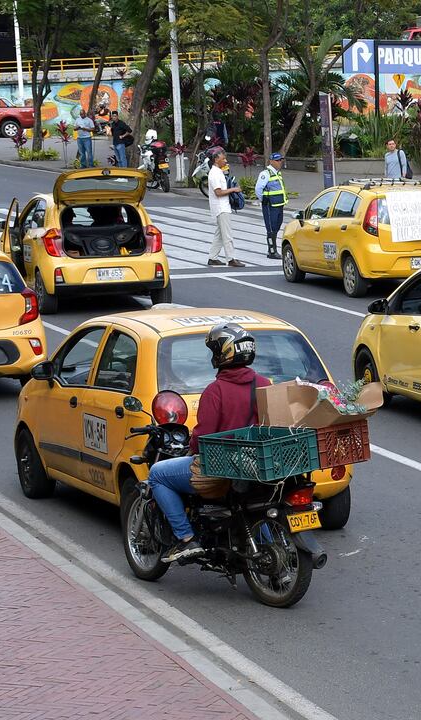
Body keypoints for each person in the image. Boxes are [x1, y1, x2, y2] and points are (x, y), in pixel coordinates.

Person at [148, 323, 271, 562]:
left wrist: (191, 448)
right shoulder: (265, 384)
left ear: (222, 354)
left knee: (157, 474)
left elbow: (202, 437)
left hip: (219, 469)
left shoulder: (216, 391)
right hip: (258, 465)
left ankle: (186, 538)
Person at [207, 149, 246, 267]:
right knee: (227, 235)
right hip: (221, 207)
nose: (225, 161)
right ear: (216, 160)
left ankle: (212, 257)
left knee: (219, 234)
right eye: (223, 159)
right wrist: (233, 189)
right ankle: (231, 259)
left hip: (223, 206)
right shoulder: (214, 174)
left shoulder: (218, 172)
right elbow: (218, 192)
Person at [255, 152, 288, 259]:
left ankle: (273, 249)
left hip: (279, 205)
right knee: (271, 229)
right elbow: (258, 189)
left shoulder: (278, 173)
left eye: (281, 160)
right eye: (277, 160)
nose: (280, 162)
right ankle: (272, 251)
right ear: (271, 161)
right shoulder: (266, 173)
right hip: (270, 205)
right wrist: (264, 200)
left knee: (277, 226)